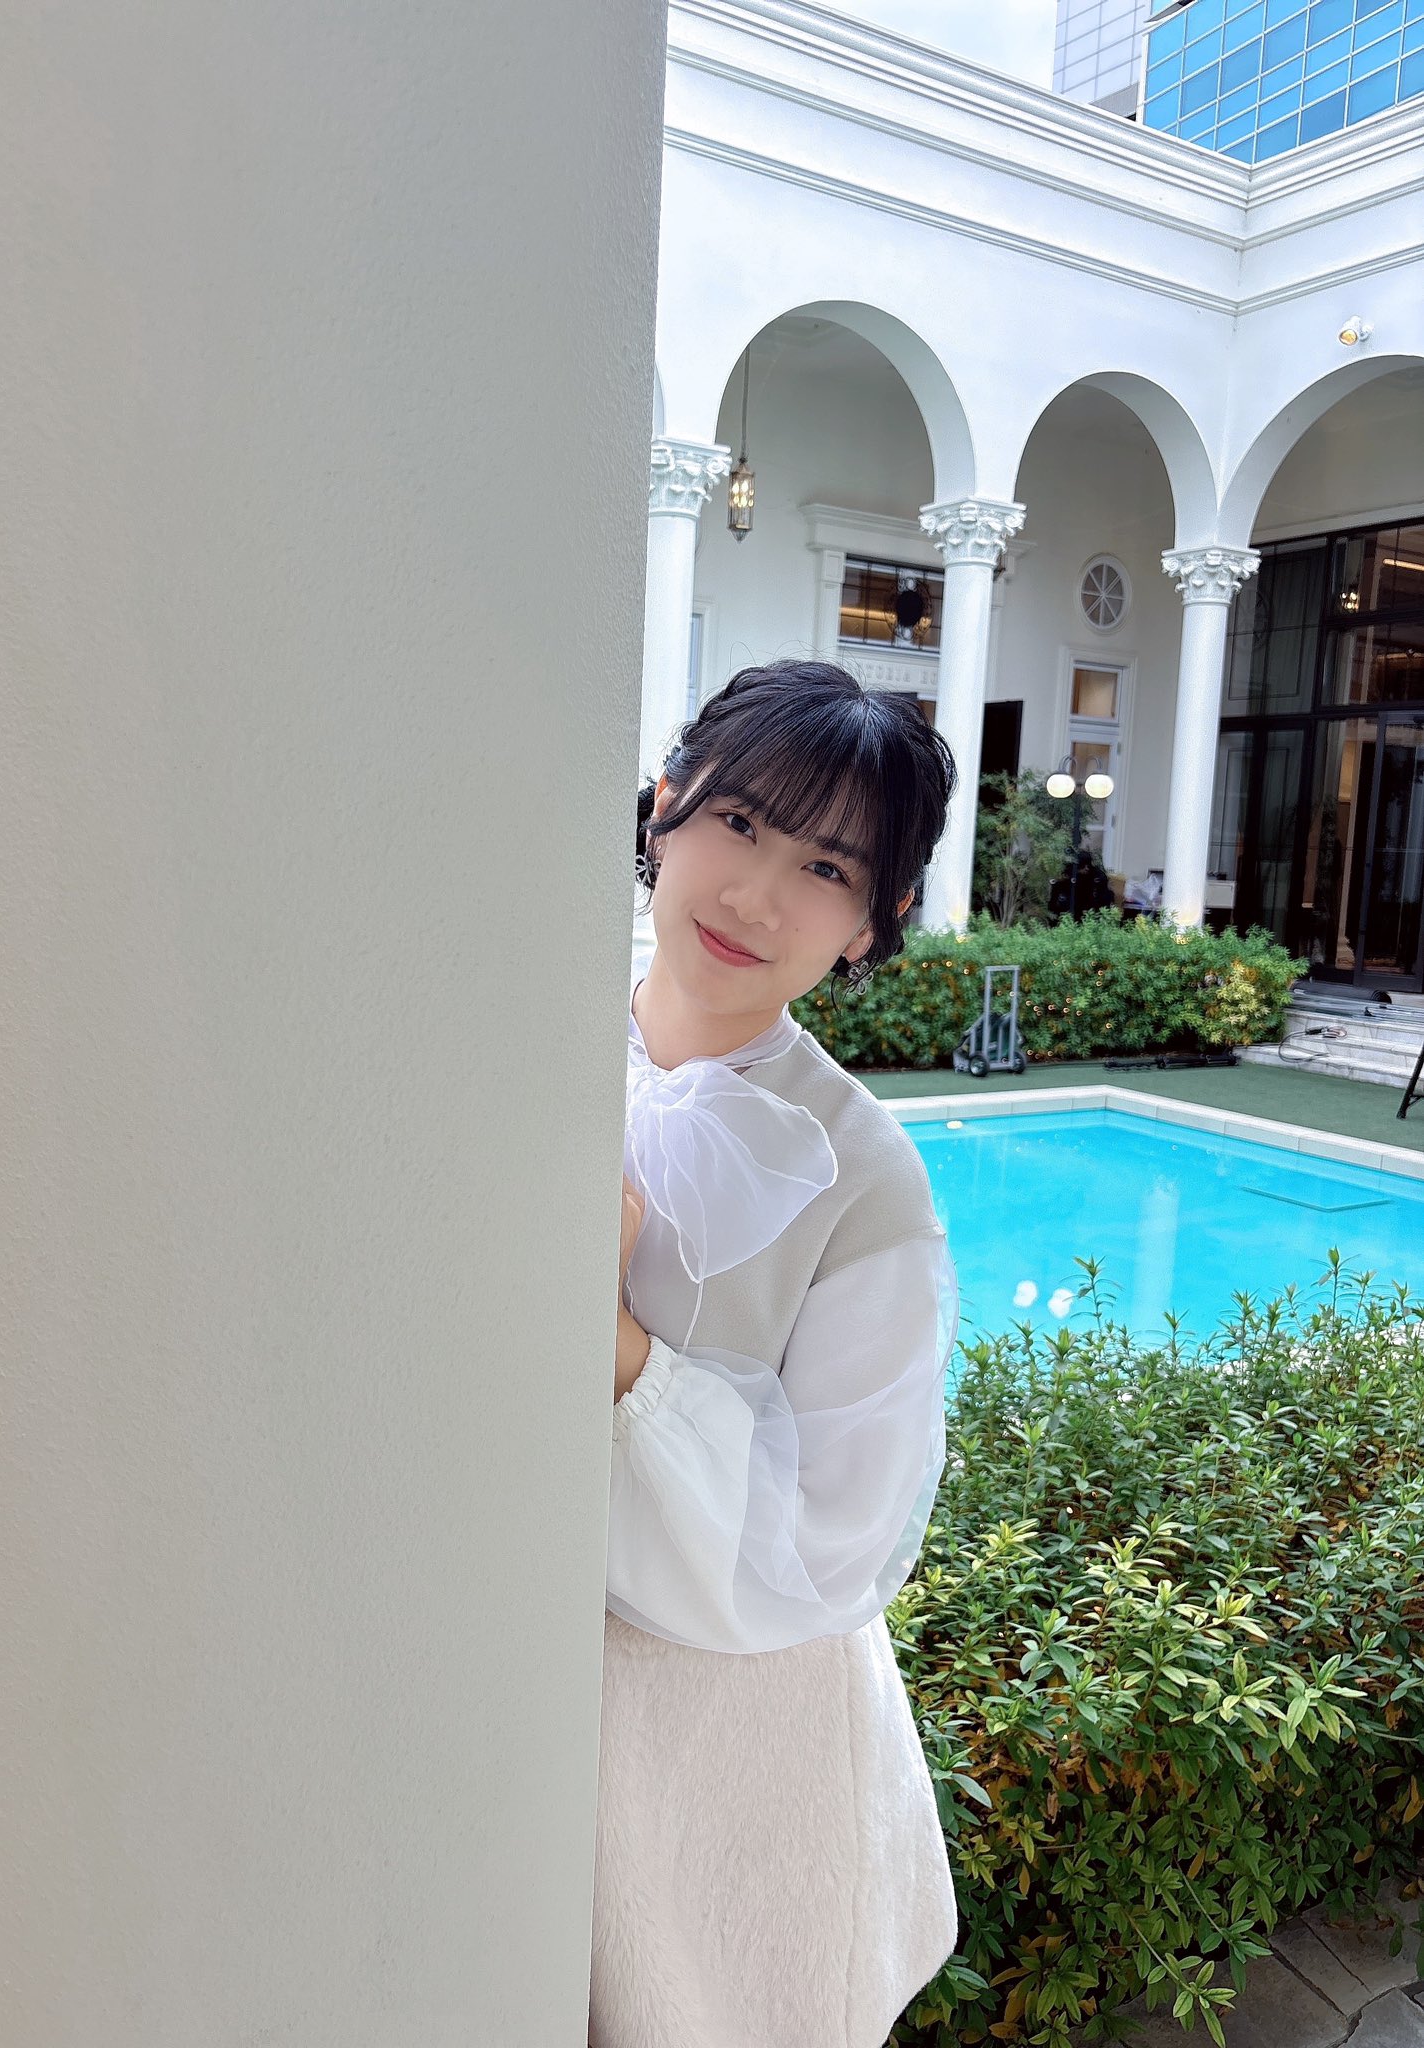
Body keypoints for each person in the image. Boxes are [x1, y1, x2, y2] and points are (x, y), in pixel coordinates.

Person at [590, 659, 962, 2048]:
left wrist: (623, 1354)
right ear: (665, 805)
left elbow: (833, 1537)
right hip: (492, 1688)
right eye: (738, 821)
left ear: (874, 922)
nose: (753, 894)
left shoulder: (868, 1182)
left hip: (726, 1748)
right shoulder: (512, 1035)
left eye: (823, 867)